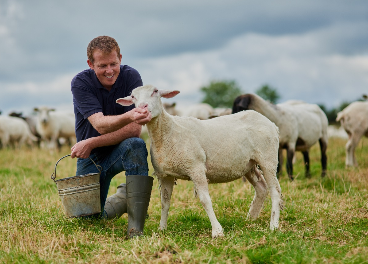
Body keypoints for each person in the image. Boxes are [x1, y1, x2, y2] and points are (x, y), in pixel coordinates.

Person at [70, 35, 153, 237]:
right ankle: (124, 198)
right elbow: (99, 124)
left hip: (119, 149)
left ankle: (136, 228)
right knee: (87, 220)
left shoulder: (131, 77)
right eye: (102, 65)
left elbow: (135, 130)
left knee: (135, 144)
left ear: (120, 58)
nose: (109, 71)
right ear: (91, 64)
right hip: (91, 156)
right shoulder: (80, 83)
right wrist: (130, 115)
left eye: (113, 64)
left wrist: (91, 141)